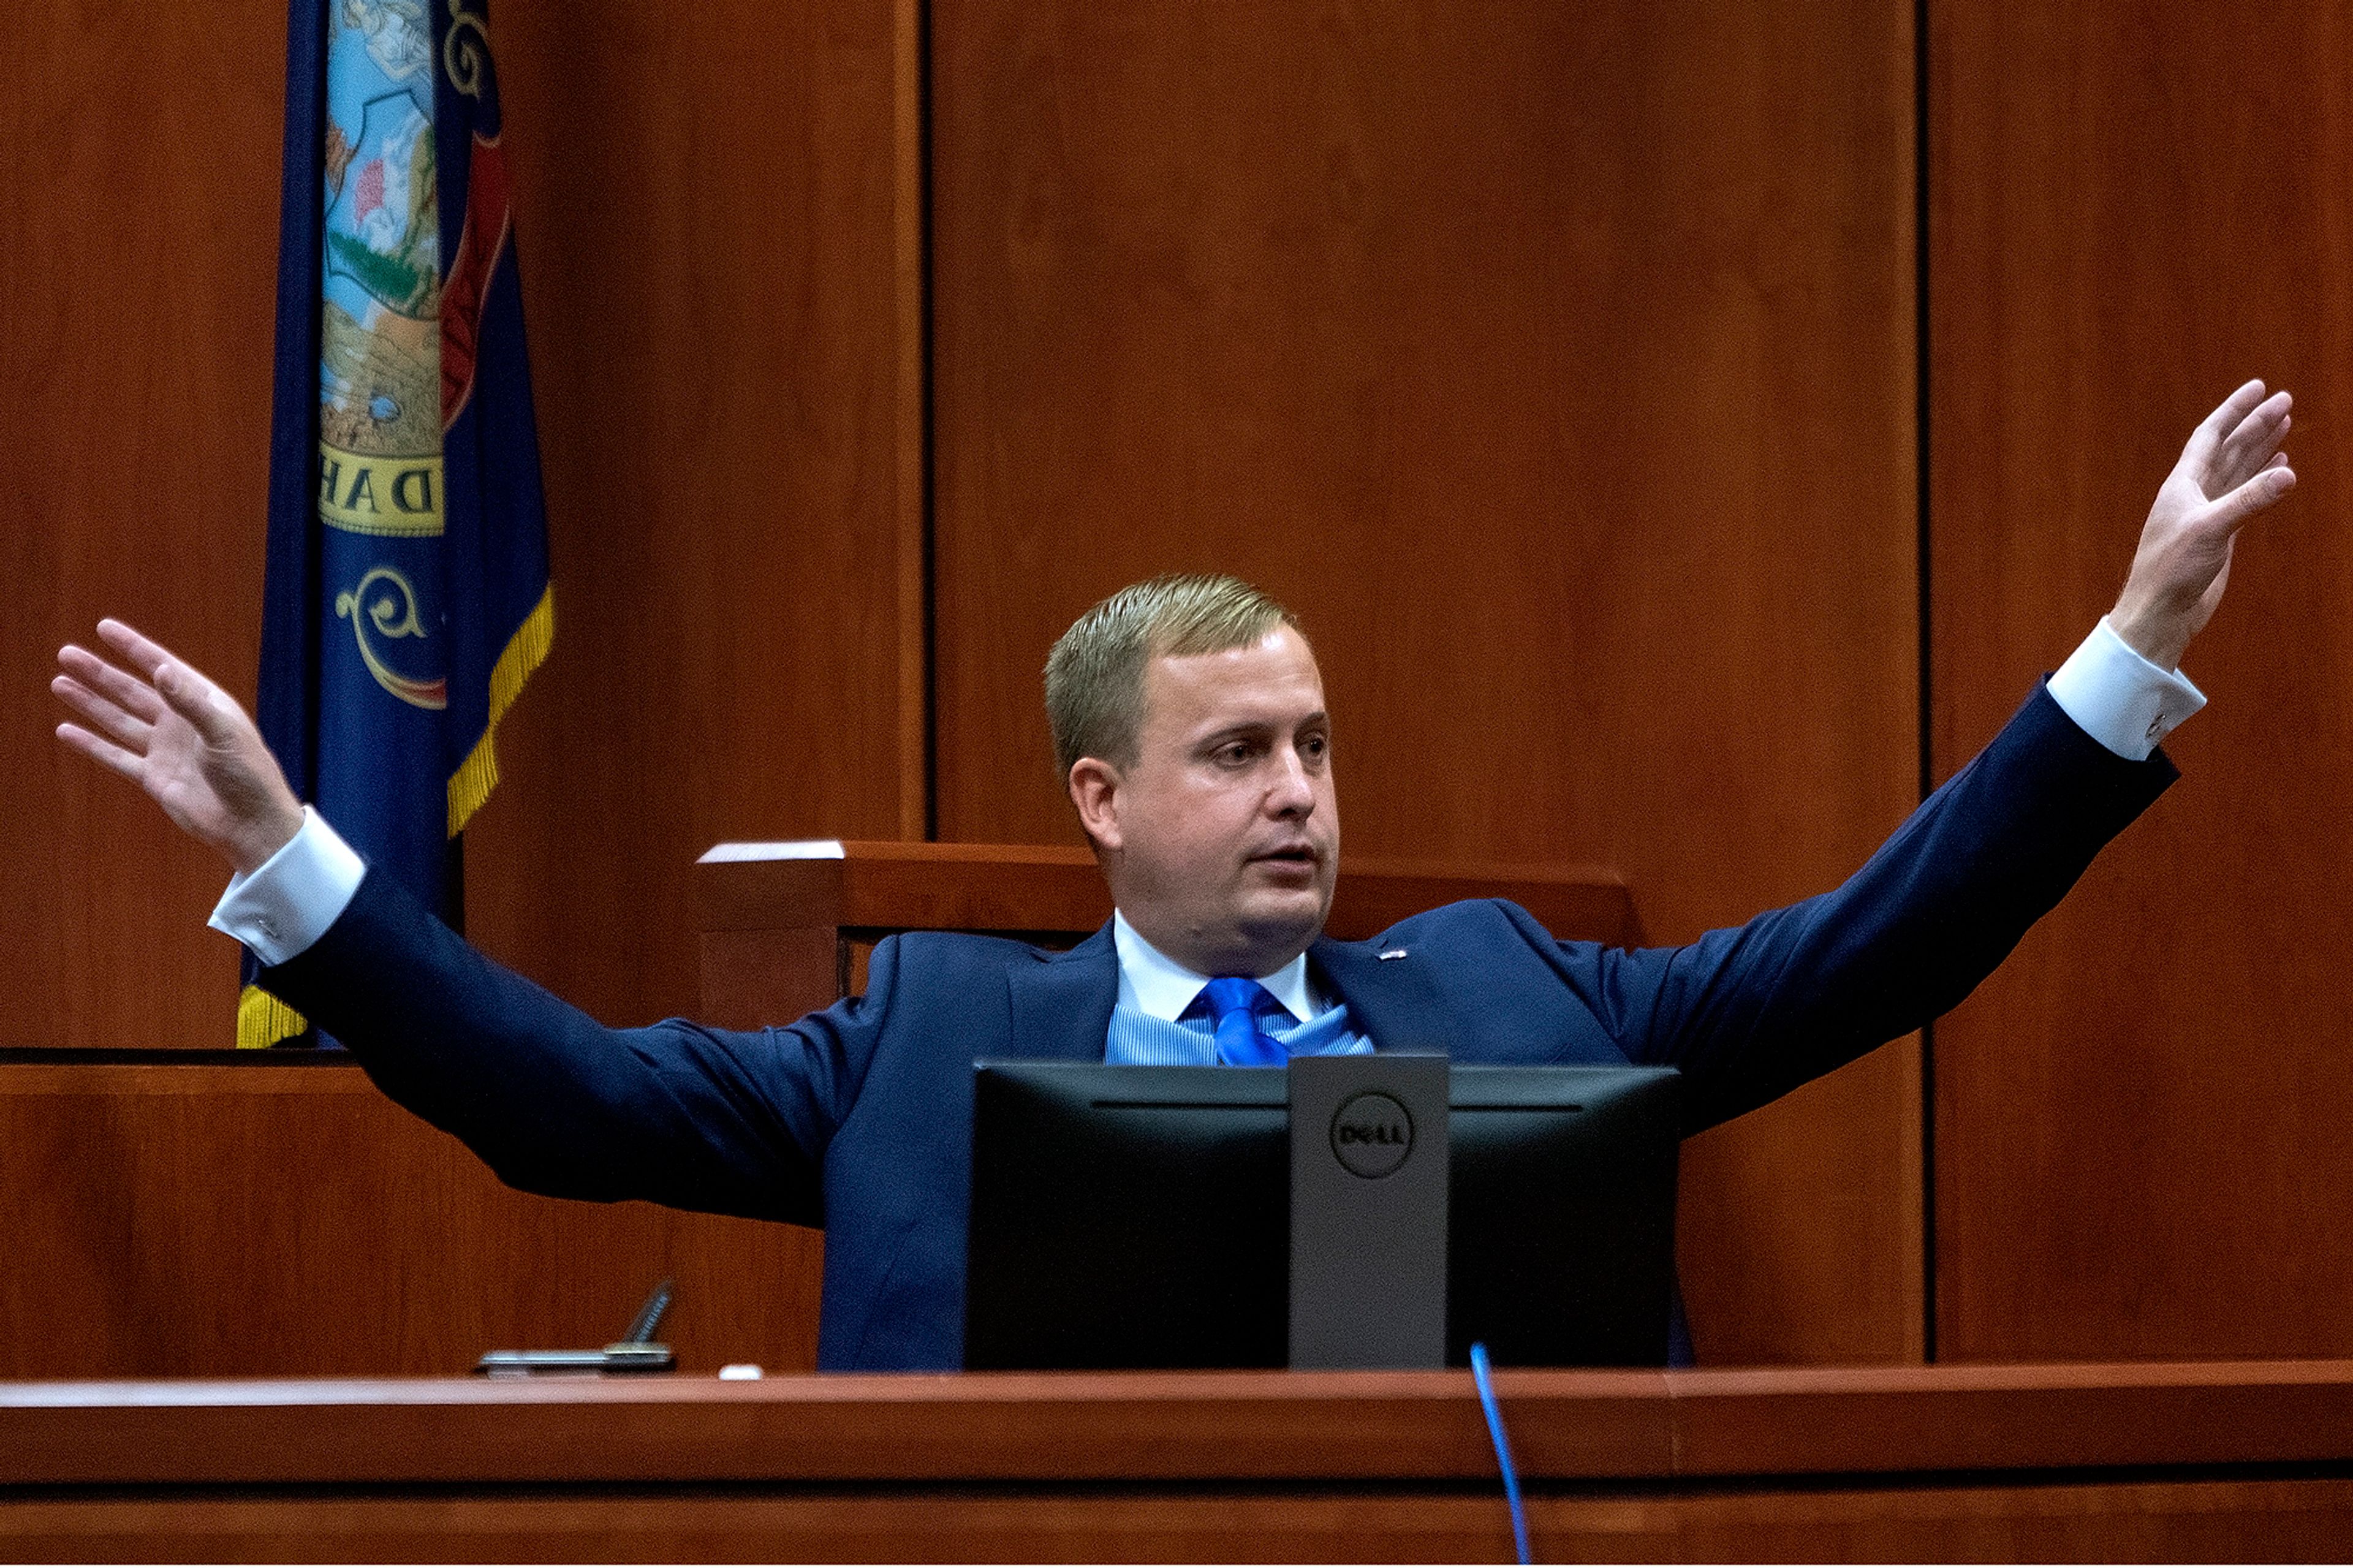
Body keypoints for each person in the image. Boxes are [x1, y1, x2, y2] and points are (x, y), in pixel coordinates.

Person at [53, 382, 2296, 1370]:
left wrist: (2126, 652)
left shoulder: (1515, 998)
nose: (1302, 790)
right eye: (1237, 754)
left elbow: (1875, 951)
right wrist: (298, 868)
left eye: (1316, 744)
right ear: (1104, 807)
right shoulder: (925, 1034)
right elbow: (566, 1103)